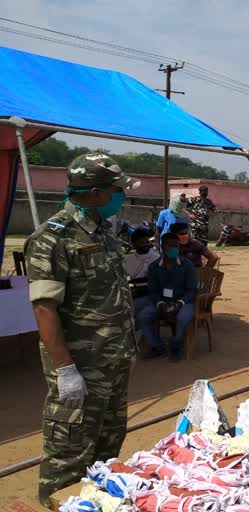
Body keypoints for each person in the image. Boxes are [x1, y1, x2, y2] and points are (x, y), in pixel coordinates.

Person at [23, 153, 141, 506]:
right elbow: (45, 308)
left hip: (112, 365)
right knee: (69, 457)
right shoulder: (51, 239)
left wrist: (126, 350)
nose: (122, 196)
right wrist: (66, 370)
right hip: (80, 371)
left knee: (106, 454)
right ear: (94, 193)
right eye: (117, 190)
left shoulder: (103, 232)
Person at [137, 232, 197, 361]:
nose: (174, 249)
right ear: (162, 247)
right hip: (162, 302)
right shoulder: (154, 267)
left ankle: (176, 345)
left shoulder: (187, 266)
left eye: (176, 246)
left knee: (183, 317)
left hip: (183, 302)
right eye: (170, 246)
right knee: (143, 317)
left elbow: (192, 291)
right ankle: (157, 346)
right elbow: (152, 291)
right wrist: (161, 304)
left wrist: (179, 303)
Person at [123, 227, 160, 313]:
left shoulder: (156, 258)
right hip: (132, 292)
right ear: (134, 244)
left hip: (149, 292)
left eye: (147, 242)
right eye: (141, 243)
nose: (145, 245)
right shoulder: (127, 259)